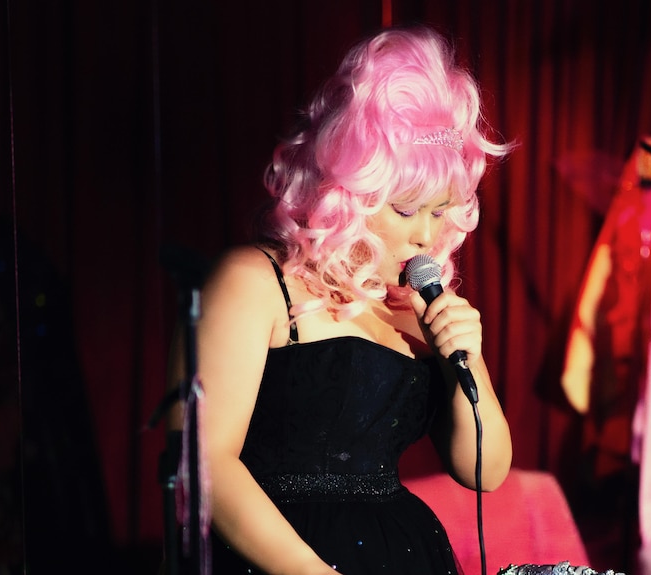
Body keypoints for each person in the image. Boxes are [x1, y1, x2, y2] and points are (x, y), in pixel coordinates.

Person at [194, 25, 514, 575]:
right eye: (407, 210)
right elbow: (203, 460)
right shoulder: (255, 280)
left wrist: (468, 358)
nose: (426, 236)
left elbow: (484, 470)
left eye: (440, 211)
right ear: (350, 195)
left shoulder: (411, 312)